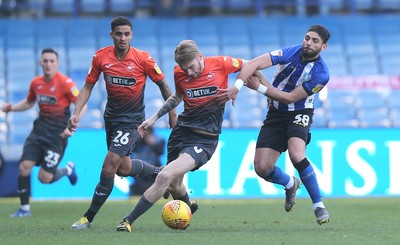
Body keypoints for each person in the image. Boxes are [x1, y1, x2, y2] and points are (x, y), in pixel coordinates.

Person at [115, 39, 262, 232]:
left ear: (200, 57)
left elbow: (253, 65)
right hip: (180, 133)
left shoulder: (221, 63)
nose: (189, 73)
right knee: (174, 185)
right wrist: (154, 118)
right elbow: (177, 96)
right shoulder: (180, 72)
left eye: (191, 67)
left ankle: (127, 221)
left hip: (204, 139)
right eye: (184, 69)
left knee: (165, 176)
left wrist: (265, 92)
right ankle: (188, 208)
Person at [69, 16, 177, 229]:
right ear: (112, 35)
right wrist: (76, 112)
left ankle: (87, 218)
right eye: (118, 34)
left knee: (108, 167)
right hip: (111, 119)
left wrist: (172, 114)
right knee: (123, 169)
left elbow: (164, 85)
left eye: (126, 34)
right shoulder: (101, 57)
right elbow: (88, 86)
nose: (122, 38)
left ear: (132, 35)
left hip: (132, 121)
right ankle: (161, 173)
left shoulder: (143, 59)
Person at [217, 25, 331, 225]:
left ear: (323, 47)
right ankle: (289, 183)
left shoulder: (322, 74)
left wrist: (260, 88)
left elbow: (289, 98)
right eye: (307, 38)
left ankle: (318, 204)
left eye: (315, 41)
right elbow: (254, 63)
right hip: (276, 113)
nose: (309, 43)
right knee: (261, 167)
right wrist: (236, 87)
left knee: (297, 154)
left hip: (300, 111)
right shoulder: (290, 52)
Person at [2, 48, 86, 217]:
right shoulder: (36, 83)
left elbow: (82, 104)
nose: (48, 64)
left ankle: (68, 170)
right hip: (38, 133)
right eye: (45, 61)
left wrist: (72, 125)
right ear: (40, 63)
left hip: (57, 137)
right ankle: (24, 209)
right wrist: (11, 108)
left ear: (57, 64)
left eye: (51, 61)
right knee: (24, 167)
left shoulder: (65, 83)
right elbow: (29, 102)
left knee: (44, 178)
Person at [129, 126, 165, 196]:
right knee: (138, 186)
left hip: (154, 167)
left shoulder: (159, 140)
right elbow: (131, 151)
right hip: (140, 168)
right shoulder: (137, 141)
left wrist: (153, 143)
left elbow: (160, 152)